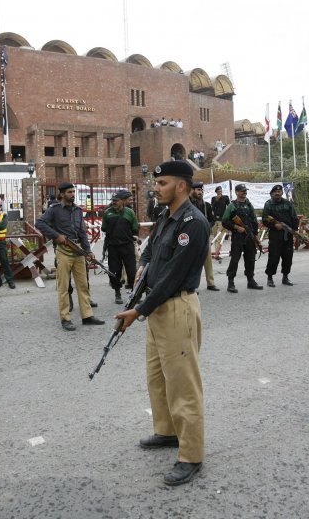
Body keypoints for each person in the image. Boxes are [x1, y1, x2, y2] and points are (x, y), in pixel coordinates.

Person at [115, 160, 208, 487]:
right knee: (158, 378)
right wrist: (142, 266)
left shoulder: (192, 223)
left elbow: (173, 277)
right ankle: (167, 432)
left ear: (181, 186)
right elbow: (150, 251)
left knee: (183, 384)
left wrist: (137, 311)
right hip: (157, 307)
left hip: (176, 306)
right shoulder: (165, 218)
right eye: (157, 183)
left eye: (163, 183)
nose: (156, 187)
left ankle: (191, 455)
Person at [35, 182, 104, 331]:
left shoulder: (78, 210)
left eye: (73, 192)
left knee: (83, 285)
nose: (72, 194)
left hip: (78, 251)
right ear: (62, 194)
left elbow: (82, 232)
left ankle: (87, 316)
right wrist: (56, 236)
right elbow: (39, 223)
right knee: (64, 287)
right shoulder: (54, 210)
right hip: (64, 251)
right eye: (69, 192)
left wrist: (88, 251)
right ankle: (65, 318)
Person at [221, 184, 263, 292]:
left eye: (245, 190)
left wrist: (256, 236)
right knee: (235, 259)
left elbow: (254, 221)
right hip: (237, 237)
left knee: (250, 259)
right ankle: (231, 283)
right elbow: (225, 221)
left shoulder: (249, 205)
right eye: (242, 191)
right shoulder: (232, 205)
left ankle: (251, 280)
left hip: (249, 236)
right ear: (237, 192)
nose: (244, 192)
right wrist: (236, 227)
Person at [102, 189, 139, 304]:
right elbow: (104, 228)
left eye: (116, 200)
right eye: (113, 200)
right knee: (114, 271)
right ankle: (117, 293)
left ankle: (134, 294)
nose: (114, 202)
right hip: (113, 247)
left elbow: (135, 228)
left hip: (127, 246)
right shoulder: (107, 213)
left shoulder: (130, 213)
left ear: (122, 201)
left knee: (132, 271)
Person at [262, 184, 299, 287]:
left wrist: (294, 231)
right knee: (273, 257)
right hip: (275, 235)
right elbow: (265, 219)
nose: (277, 193)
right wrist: (274, 225)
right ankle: (270, 278)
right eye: (275, 192)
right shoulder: (268, 204)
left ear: (282, 193)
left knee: (288, 257)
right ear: (272, 194)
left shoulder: (288, 203)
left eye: (279, 192)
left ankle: (285, 277)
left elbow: (294, 218)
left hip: (288, 234)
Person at [190, 181, 219, 291]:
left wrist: (207, 226)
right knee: (192, 262)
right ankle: (191, 286)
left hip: (204, 237)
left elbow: (212, 220)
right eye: (198, 190)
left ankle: (210, 283)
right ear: (192, 190)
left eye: (201, 190)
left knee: (208, 261)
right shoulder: (190, 205)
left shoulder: (207, 205)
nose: (200, 192)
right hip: (193, 238)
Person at [210, 186, 230, 259]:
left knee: (219, 237)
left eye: (221, 191)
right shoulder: (213, 198)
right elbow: (211, 208)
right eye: (218, 191)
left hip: (222, 220)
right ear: (216, 192)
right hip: (215, 220)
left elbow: (229, 206)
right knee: (215, 237)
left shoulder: (225, 198)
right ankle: (217, 252)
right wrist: (216, 200)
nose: (220, 192)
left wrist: (227, 217)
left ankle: (218, 253)